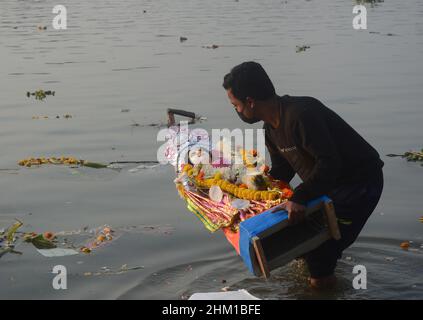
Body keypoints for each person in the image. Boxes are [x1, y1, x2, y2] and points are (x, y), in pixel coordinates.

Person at [222, 61, 384, 289]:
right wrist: (254, 190)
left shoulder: (301, 115)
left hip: (359, 184)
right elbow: (283, 170)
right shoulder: (270, 129)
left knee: (320, 253)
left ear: (250, 101)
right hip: (329, 186)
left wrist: (299, 197)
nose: (237, 110)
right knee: (302, 244)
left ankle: (323, 287)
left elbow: (330, 163)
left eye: (235, 105)